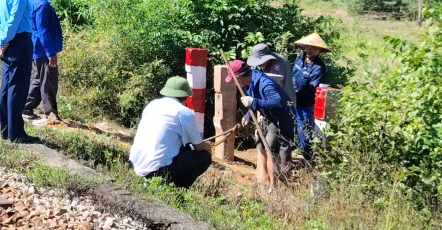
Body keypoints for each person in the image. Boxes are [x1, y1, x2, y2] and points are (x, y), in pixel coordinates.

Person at [129, 76, 214, 188]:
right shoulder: (184, 112)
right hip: (158, 170)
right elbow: (198, 146)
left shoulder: (152, 104)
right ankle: (176, 187)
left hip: (137, 165)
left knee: (186, 147)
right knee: (204, 157)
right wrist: (208, 147)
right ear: (186, 96)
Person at [0, 0, 41, 143]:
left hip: (10, 41)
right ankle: (16, 133)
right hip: (18, 41)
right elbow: (13, 21)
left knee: (7, 85)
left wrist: (1, 39)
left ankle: (5, 129)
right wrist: (4, 40)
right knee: (17, 87)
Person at [226, 58, 294, 189]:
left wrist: (254, 102)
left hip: (280, 117)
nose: (235, 83)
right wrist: (248, 115)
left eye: (235, 80)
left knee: (271, 149)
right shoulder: (248, 83)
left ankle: (275, 187)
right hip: (267, 115)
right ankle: (264, 180)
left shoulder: (264, 83)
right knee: (261, 145)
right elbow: (255, 101)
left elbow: (277, 103)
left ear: (239, 77)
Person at [24, 0, 64, 125]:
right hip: (42, 49)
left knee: (37, 80)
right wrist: (50, 52)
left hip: (36, 48)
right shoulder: (42, 5)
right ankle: (51, 114)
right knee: (49, 81)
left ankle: (26, 107)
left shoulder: (33, 1)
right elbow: (43, 30)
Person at [291, 32, 330, 160]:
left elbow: (311, 88)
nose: (309, 50)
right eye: (308, 47)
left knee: (304, 130)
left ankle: (308, 158)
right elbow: (293, 75)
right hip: (293, 99)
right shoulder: (299, 58)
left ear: (319, 50)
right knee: (291, 126)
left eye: (313, 48)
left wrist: (296, 91)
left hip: (306, 103)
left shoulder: (319, 67)